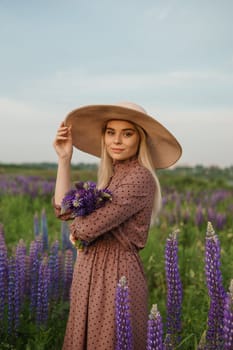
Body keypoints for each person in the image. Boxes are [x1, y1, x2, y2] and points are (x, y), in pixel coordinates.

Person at [53, 101, 182, 350]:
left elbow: (86, 229)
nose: (117, 140)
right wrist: (64, 160)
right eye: (111, 132)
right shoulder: (111, 178)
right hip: (87, 272)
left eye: (127, 133)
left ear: (140, 139)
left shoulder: (140, 177)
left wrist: (77, 228)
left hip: (115, 276)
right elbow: (64, 210)